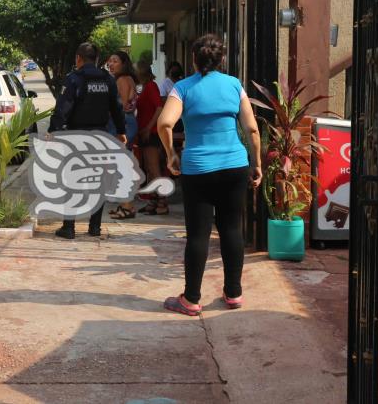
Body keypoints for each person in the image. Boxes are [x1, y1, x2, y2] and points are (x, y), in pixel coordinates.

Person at [157, 34, 262, 316]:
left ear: (194, 59)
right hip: (234, 166)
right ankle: (234, 293)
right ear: (221, 60)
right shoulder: (234, 85)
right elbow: (252, 130)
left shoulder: (183, 88)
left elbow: (165, 123)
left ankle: (191, 299)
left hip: (197, 169)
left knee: (198, 235)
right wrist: (257, 163)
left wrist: (170, 155)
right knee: (231, 228)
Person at [48, 42, 126, 239]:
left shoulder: (74, 79)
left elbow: (63, 108)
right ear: (97, 59)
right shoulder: (107, 79)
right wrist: (121, 130)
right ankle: (95, 227)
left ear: (78, 58)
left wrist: (53, 131)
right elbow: (117, 107)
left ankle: (69, 227)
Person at [106, 50, 139, 220]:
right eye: (109, 61)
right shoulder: (125, 79)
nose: (111, 64)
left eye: (115, 61)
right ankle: (125, 204)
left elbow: (122, 105)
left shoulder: (122, 80)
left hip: (123, 124)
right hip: (125, 123)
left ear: (124, 63)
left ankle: (127, 205)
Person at [135, 60, 167, 215]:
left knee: (154, 168)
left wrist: (148, 127)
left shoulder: (151, 87)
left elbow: (159, 108)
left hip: (152, 132)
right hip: (146, 131)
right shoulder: (145, 87)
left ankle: (162, 201)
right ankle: (153, 201)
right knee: (149, 168)